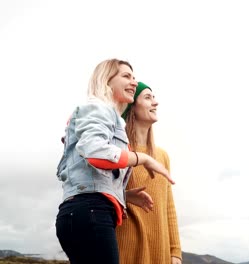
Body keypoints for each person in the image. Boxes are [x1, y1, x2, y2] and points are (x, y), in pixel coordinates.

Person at [55, 59, 175, 264]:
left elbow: (89, 172)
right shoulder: (99, 109)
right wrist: (142, 158)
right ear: (107, 81)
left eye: (134, 77)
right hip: (91, 212)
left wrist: (123, 195)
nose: (134, 82)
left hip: (83, 212)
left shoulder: (106, 120)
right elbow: (94, 152)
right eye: (126, 76)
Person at [116, 82, 182, 264]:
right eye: (147, 97)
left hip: (160, 249)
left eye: (153, 97)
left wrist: (175, 250)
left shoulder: (162, 156)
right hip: (127, 247)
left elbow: (168, 205)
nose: (155, 103)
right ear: (132, 107)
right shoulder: (119, 151)